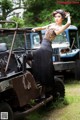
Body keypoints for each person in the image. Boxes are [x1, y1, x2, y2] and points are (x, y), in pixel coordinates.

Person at [32, 9, 71, 98]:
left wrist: (68, 16)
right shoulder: (52, 25)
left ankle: (43, 89)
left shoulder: (59, 28)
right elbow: (42, 27)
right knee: (38, 64)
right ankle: (38, 85)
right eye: (55, 16)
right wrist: (34, 29)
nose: (56, 18)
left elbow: (68, 24)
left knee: (40, 62)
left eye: (59, 16)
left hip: (46, 47)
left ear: (62, 18)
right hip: (43, 46)